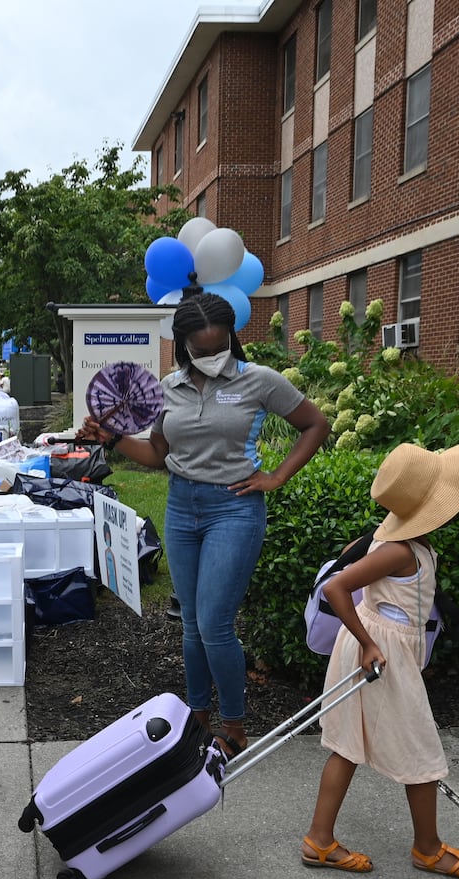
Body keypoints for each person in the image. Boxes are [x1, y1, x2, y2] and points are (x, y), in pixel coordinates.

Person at [79, 292, 329, 758]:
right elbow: (156, 454)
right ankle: (197, 717)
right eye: (201, 349)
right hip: (182, 506)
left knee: (214, 623)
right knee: (191, 624)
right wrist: (112, 438)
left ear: (232, 338)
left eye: (220, 347)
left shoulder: (259, 380)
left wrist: (277, 476)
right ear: (182, 345)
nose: (212, 356)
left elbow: (316, 423)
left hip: (234, 508)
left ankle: (233, 726)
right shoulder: (168, 388)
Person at [300, 442, 459, 879]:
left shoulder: (399, 540)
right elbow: (336, 588)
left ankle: (319, 839)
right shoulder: (399, 550)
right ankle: (427, 849)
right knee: (421, 747)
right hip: (379, 652)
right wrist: (367, 643)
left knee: (347, 745)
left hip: (375, 646)